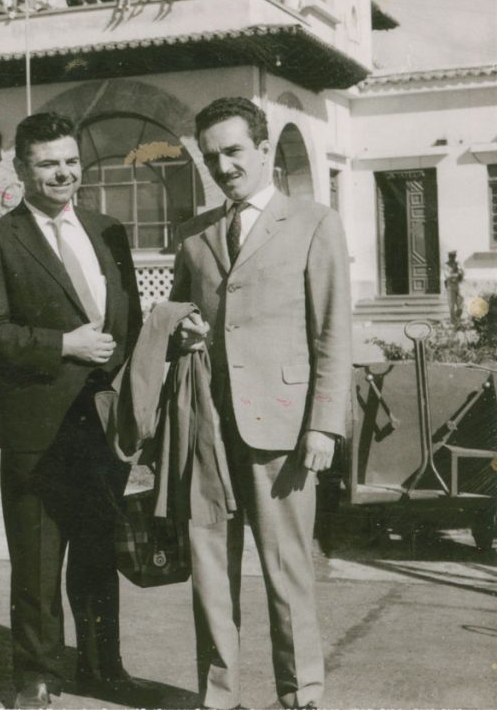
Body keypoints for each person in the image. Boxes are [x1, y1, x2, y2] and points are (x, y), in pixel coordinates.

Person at [169, 97, 351, 710]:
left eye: (234, 151)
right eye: (211, 155)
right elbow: (178, 314)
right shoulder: (194, 235)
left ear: (264, 149)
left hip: (283, 425)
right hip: (208, 427)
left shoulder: (313, 222)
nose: (223, 166)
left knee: (287, 570)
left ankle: (302, 694)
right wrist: (184, 330)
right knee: (211, 575)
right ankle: (218, 697)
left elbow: (333, 332)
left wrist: (323, 425)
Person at [0, 113, 143, 710]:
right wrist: (63, 345)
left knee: (97, 552)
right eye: (47, 163)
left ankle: (101, 666)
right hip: (37, 428)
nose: (62, 173)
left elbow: (131, 320)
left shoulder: (108, 230)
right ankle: (37, 675)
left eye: (69, 161)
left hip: (104, 425)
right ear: (20, 170)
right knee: (38, 560)